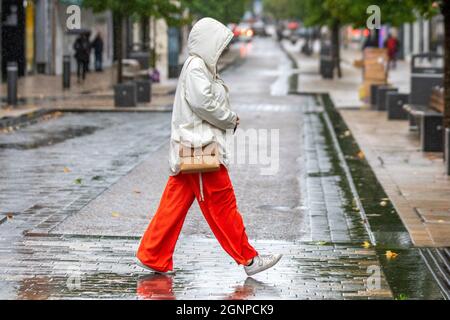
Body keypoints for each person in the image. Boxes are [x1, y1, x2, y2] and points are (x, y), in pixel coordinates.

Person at [136, 17, 282, 276]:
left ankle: (152, 254)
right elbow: (203, 102)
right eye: (221, 45)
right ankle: (249, 260)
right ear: (209, 43)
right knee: (223, 204)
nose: (224, 51)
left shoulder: (199, 67)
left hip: (193, 149)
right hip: (200, 149)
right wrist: (229, 117)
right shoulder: (196, 67)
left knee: (173, 205)